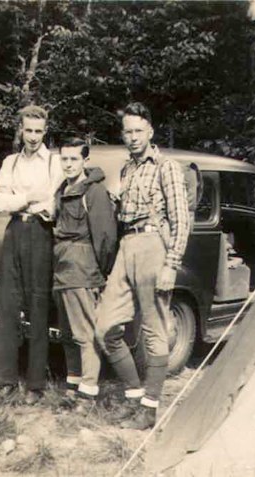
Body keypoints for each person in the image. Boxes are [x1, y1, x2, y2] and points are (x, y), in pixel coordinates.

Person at [95, 102, 190, 430]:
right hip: (128, 245)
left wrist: (171, 264)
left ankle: (149, 409)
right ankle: (134, 397)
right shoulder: (127, 169)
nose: (133, 137)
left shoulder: (167, 167)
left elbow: (181, 220)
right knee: (105, 327)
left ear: (150, 131)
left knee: (154, 330)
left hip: (153, 245)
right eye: (128, 132)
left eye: (138, 131)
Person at [0, 105, 64, 404]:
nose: (33, 137)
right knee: (7, 302)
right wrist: (28, 198)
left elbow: (53, 204)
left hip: (41, 232)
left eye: (38, 131)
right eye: (28, 130)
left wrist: (23, 200)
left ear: (45, 131)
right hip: (14, 231)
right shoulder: (10, 162)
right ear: (20, 130)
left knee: (38, 304)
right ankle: (5, 379)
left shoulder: (55, 162)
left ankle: (35, 383)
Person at [53, 137, 118, 407]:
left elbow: (106, 238)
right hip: (62, 267)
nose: (68, 164)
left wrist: (100, 272)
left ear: (85, 161)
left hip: (82, 268)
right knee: (68, 333)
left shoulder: (94, 192)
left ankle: (88, 392)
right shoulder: (63, 188)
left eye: (74, 159)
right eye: (64, 159)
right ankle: (73, 385)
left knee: (85, 333)